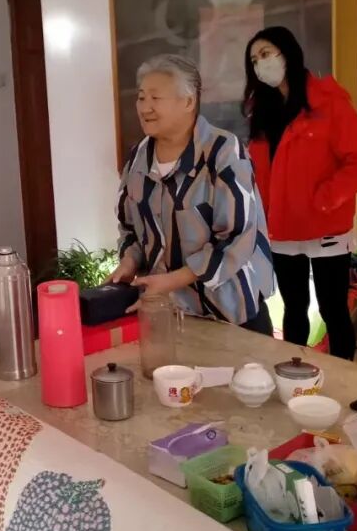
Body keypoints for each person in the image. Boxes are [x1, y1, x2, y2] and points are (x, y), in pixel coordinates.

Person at [111, 54, 275, 333]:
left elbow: (238, 237)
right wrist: (129, 261)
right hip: (167, 314)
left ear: (188, 102)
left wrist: (174, 280)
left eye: (155, 98)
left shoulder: (223, 151)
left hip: (231, 313)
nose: (145, 107)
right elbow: (130, 227)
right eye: (141, 97)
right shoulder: (138, 157)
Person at [242, 27, 357, 360]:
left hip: (325, 226)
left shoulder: (329, 102)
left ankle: (344, 378)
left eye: (266, 54)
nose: (260, 64)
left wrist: (325, 198)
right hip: (282, 227)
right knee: (294, 308)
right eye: (254, 60)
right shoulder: (261, 110)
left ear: (288, 53)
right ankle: (295, 373)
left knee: (333, 309)